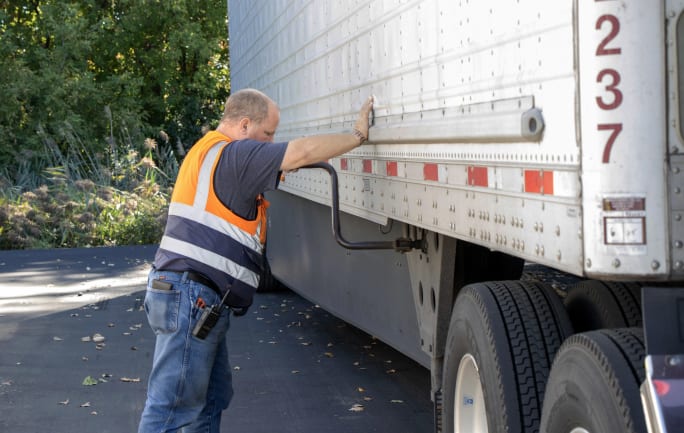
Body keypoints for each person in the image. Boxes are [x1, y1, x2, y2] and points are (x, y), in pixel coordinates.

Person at [138, 89, 374, 433]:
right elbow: (303, 151)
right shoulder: (237, 154)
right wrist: (356, 136)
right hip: (193, 297)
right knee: (172, 408)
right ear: (245, 125)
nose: (272, 142)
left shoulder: (209, 151)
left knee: (212, 396)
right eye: (269, 134)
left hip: (187, 294)